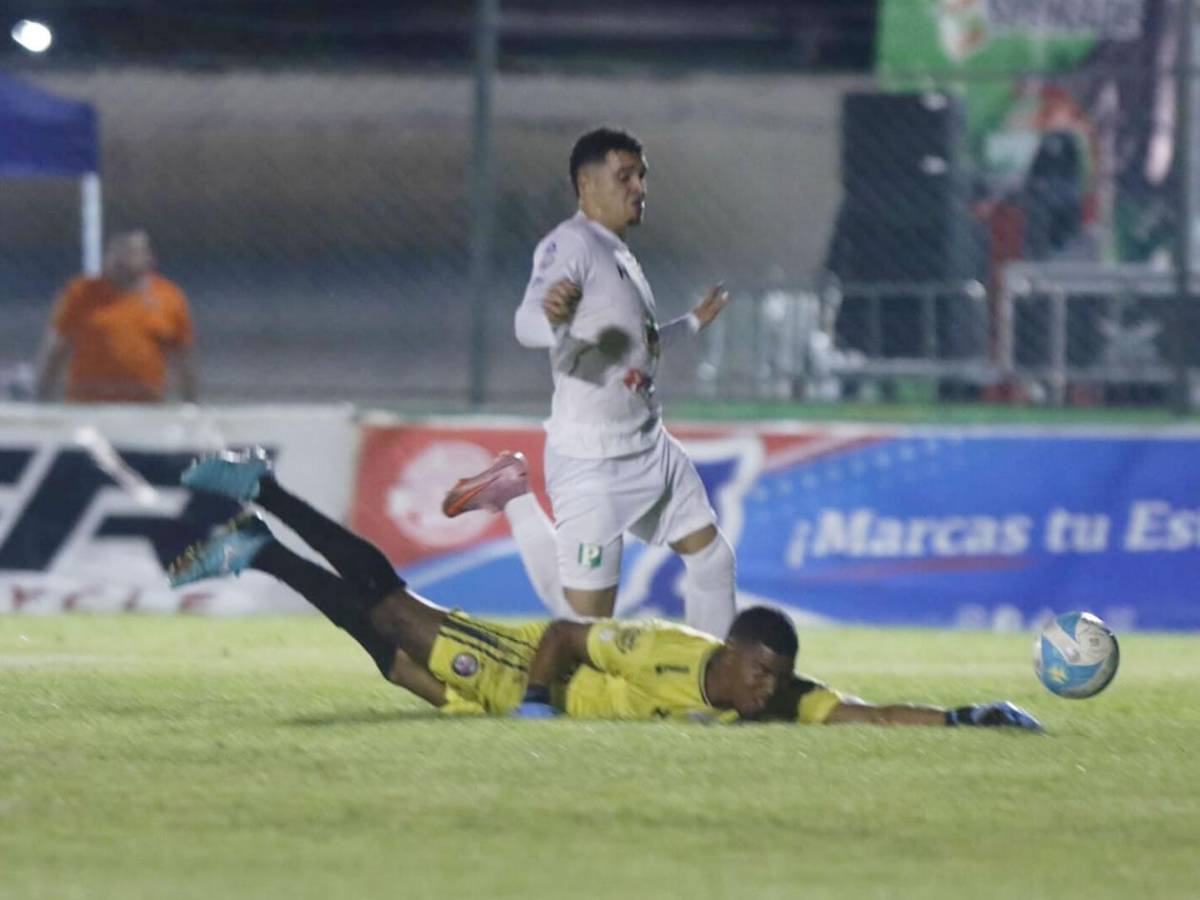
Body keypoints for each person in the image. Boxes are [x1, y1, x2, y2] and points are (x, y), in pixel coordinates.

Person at [167, 448, 1043, 732]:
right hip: (525, 676)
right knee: (395, 612)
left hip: (520, 707)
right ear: (735, 650)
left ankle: (260, 553)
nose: (767, 687)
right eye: (762, 670)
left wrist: (965, 718)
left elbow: (868, 716)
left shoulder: (773, 703)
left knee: (393, 662)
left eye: (775, 678)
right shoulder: (669, 650)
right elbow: (563, 634)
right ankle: (265, 492)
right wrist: (535, 705)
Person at [446, 126, 735, 637]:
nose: (639, 188)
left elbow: (639, 347)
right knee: (583, 627)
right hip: (593, 461)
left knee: (713, 559)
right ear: (586, 184)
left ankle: (716, 682)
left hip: (650, 445)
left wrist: (691, 323)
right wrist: (553, 321)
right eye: (625, 176)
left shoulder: (619, 252)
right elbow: (526, 322)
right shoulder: (570, 245)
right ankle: (513, 494)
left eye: (642, 176)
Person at [34, 229, 197, 403]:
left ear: (149, 257)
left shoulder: (168, 297)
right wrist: (43, 396)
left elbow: (183, 357)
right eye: (116, 252)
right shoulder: (81, 294)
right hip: (88, 405)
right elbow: (56, 348)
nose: (122, 259)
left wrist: (190, 403)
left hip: (145, 407)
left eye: (131, 252)